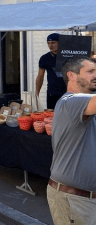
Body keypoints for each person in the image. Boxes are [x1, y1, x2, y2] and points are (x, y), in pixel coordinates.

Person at [47, 57, 96, 225]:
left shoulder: (87, 104)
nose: (95, 75)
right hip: (75, 200)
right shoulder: (70, 101)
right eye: (90, 71)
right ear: (71, 75)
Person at [36, 33, 67, 110]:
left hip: (68, 92)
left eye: (53, 43)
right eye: (48, 43)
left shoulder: (68, 56)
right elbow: (40, 76)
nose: (50, 45)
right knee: (51, 116)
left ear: (59, 42)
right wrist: (37, 93)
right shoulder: (44, 58)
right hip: (52, 93)